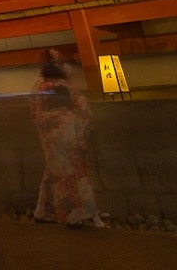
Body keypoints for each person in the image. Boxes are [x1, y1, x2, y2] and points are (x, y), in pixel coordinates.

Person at [30, 51, 105, 227]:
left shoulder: (39, 84)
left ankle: (41, 210)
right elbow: (83, 107)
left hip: (49, 137)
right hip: (69, 133)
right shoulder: (67, 84)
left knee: (53, 171)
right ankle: (77, 214)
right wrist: (84, 125)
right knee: (75, 173)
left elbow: (34, 113)